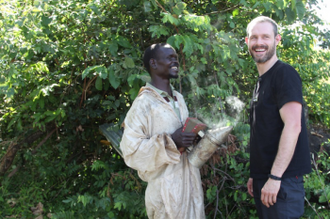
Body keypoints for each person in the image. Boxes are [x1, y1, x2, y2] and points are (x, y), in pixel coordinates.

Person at [120, 43, 205, 219]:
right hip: (164, 195)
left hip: (191, 187)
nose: (175, 61)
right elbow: (131, 153)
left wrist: (193, 138)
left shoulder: (178, 98)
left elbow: (184, 143)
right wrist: (171, 141)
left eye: (176, 58)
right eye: (169, 58)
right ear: (153, 63)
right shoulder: (143, 104)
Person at [245, 16, 312, 218]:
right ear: (247, 42)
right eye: (254, 37)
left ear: (277, 40)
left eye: (265, 36)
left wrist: (275, 177)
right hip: (265, 179)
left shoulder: (284, 74)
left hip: (282, 181)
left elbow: (293, 126)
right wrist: (255, 175)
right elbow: (266, 131)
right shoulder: (262, 81)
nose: (259, 42)